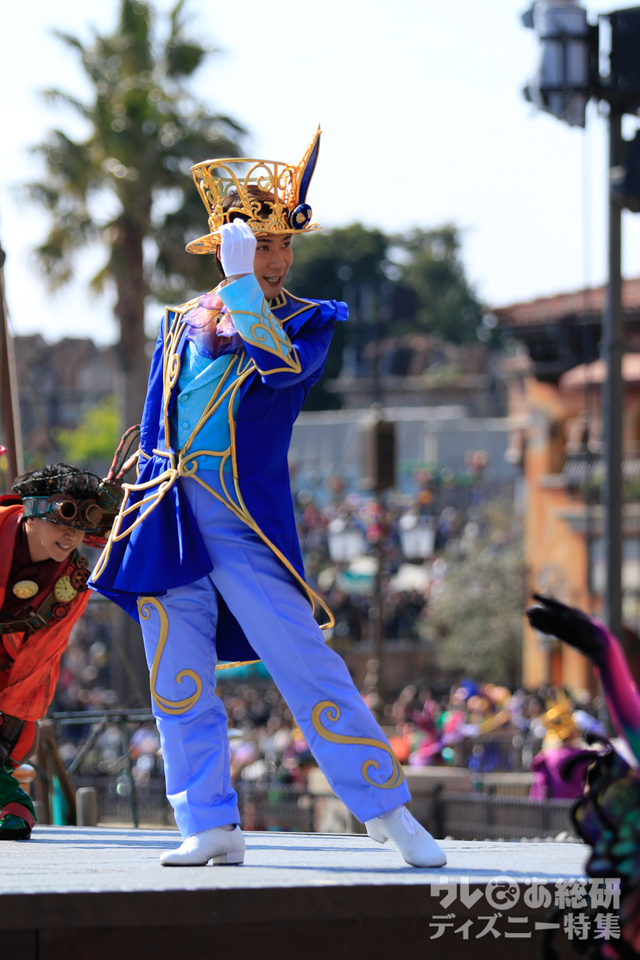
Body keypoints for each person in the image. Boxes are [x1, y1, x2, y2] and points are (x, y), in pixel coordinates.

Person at [91, 128, 447, 869]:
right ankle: (209, 820)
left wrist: (244, 288)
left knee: (305, 663)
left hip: (241, 522)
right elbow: (159, 422)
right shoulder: (176, 325)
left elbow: (280, 373)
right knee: (176, 680)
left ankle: (386, 810)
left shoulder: (307, 321)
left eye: (283, 245)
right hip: (167, 517)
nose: (278, 258)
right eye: (261, 245)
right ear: (226, 245)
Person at [0, 462, 121, 840]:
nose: (72, 536)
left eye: (80, 527)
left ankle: (13, 804)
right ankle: (13, 804)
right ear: (31, 513)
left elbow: (39, 660)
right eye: (62, 521)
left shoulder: (72, 583)